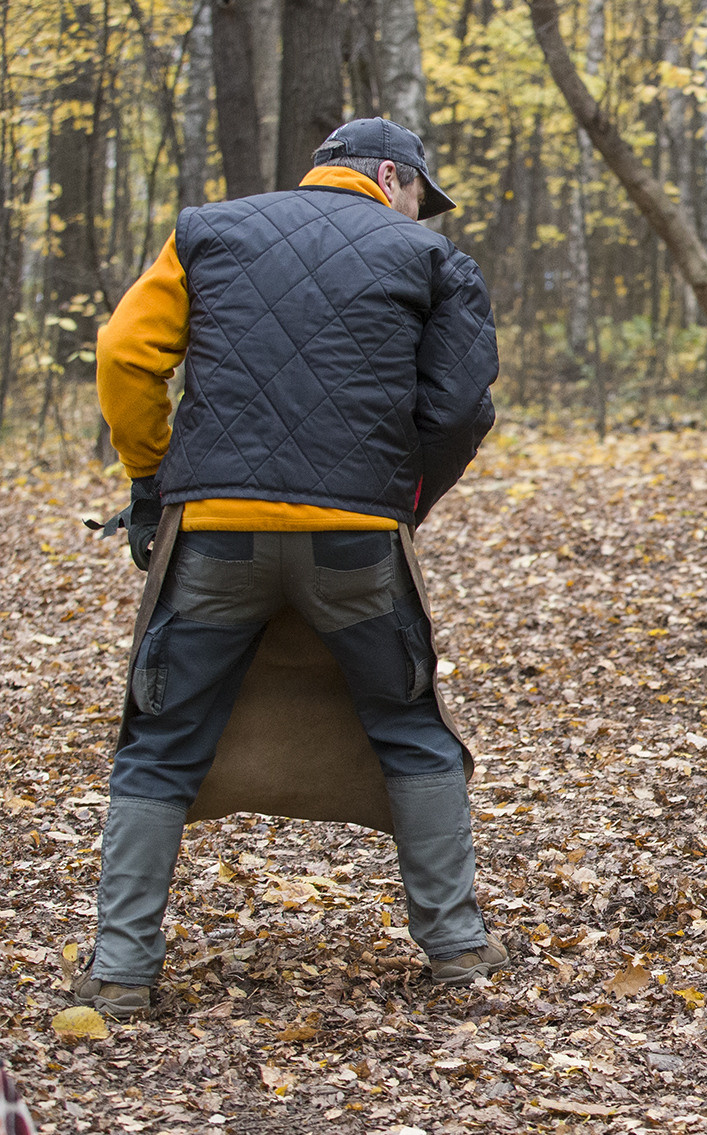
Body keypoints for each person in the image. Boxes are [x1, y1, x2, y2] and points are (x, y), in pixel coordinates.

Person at [74, 118, 504, 1018]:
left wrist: (150, 482)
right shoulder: (432, 260)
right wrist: (402, 499)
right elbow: (461, 404)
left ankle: (119, 971)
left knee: (161, 739)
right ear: (391, 175)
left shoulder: (208, 230)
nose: (421, 209)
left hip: (215, 531)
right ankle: (460, 952)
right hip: (355, 536)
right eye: (421, 190)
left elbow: (123, 354)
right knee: (410, 724)